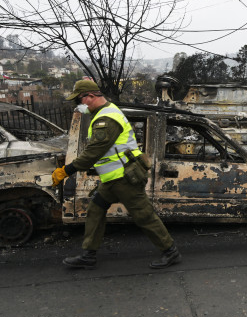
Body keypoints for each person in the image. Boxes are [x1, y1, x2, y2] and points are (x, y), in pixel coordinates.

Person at [52, 80, 181, 270]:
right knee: (95, 210)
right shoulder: (103, 113)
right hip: (112, 179)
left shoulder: (107, 119)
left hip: (125, 178)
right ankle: (88, 255)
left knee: (143, 215)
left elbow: (94, 152)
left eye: (80, 100)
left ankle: (170, 252)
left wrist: (66, 170)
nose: (79, 106)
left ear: (91, 96)